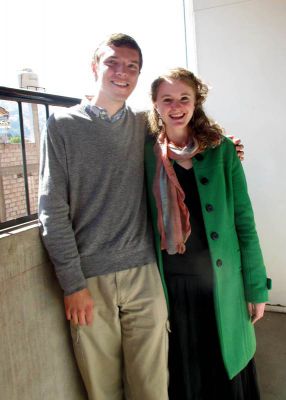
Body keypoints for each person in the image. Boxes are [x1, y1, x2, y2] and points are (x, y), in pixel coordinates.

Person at [38, 33, 169, 400]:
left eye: (132, 67)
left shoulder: (146, 126)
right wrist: (73, 284)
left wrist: (226, 147)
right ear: (95, 67)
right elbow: (52, 209)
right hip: (89, 280)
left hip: (144, 274)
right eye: (113, 62)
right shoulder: (61, 125)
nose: (122, 72)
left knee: (153, 388)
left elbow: (187, 139)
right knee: (102, 390)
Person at [144, 67, 271, 400]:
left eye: (184, 98)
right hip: (173, 285)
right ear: (155, 105)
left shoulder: (222, 150)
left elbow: (244, 221)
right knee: (185, 370)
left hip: (223, 283)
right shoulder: (146, 155)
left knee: (225, 365)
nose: (176, 106)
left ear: (196, 101)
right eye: (166, 99)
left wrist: (257, 287)